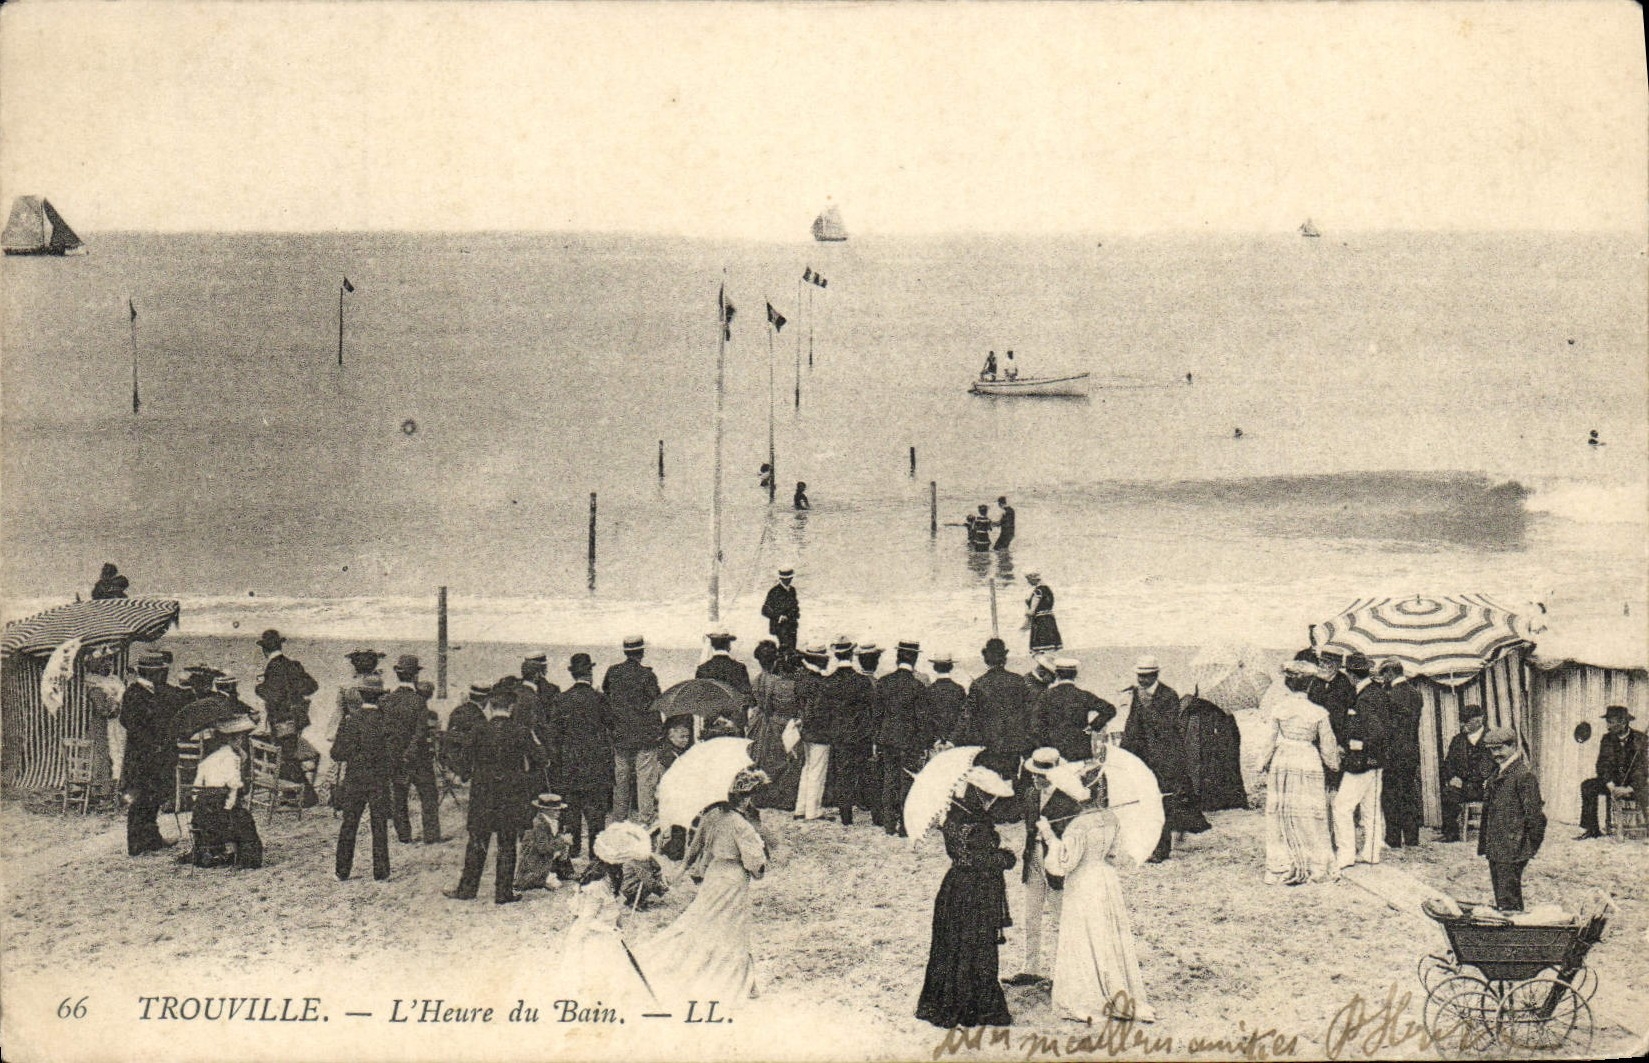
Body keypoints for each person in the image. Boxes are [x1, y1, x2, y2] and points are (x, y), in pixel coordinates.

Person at [1040, 760, 1156, 1024]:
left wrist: (1049, 837)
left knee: (1086, 936)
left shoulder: (1078, 826)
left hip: (1084, 883)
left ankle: (1091, 993)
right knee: (1106, 935)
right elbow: (1114, 854)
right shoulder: (1111, 818)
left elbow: (1062, 864)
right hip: (1105, 878)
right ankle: (1115, 987)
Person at [646, 768, 772, 1004]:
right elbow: (755, 865)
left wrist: (682, 868)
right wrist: (761, 858)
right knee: (732, 927)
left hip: (714, 874)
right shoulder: (741, 825)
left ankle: (740, 979)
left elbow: (695, 846)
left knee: (702, 919)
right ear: (746, 798)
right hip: (733, 878)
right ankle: (740, 980)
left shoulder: (712, 815)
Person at [915, 765, 1017, 1029]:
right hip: (976, 890)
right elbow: (978, 858)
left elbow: (963, 854)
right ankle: (975, 1006)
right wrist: (1005, 857)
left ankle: (943, 1000)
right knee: (977, 945)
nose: (991, 801)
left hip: (955, 886)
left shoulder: (954, 815)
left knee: (953, 944)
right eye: (988, 795)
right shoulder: (976, 823)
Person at [445, 687, 541, 904]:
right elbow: (541, 760)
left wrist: (466, 775)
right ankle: (503, 893)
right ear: (511, 707)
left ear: (489, 705)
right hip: (511, 795)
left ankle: (467, 890)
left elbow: (463, 761)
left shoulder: (479, 730)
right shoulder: (521, 730)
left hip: (483, 795)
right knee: (507, 843)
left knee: (477, 841)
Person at [1256, 661, 1340, 885]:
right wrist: (1333, 765)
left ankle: (1281, 864)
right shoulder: (1319, 712)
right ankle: (1316, 864)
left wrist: (1261, 763)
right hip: (1308, 759)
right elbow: (1328, 747)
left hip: (1284, 760)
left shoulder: (1279, 709)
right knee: (1309, 810)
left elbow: (1268, 741)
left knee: (1283, 811)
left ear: (1287, 682)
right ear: (1311, 684)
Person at [1007, 748, 1081, 989]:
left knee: (1062, 916)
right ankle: (1031, 967)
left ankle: (1067, 970)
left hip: (1057, 862)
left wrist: (1051, 832)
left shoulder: (1069, 799)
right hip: (1034, 860)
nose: (1037, 779)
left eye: (1042, 775)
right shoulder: (1030, 794)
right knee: (1031, 916)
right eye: (1034, 774)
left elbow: (1074, 836)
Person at [1120, 657, 1206, 862]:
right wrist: (1125, 752)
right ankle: (1151, 843)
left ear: (1155, 675)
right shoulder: (1138, 695)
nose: (1142, 680)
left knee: (1163, 801)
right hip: (1143, 757)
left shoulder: (1168, 695)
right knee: (1145, 801)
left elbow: (1167, 727)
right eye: (1139, 676)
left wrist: (1146, 704)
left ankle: (1161, 849)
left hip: (1166, 758)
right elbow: (1132, 725)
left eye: (1146, 676)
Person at [332, 675, 395, 881]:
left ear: (360, 695)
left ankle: (342, 871)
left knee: (349, 824)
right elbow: (392, 755)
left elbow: (336, 754)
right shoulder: (386, 722)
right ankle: (381, 871)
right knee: (379, 825)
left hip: (355, 779)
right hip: (378, 780)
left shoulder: (351, 722)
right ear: (380, 697)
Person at [953, 637, 1036, 795]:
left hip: (988, 743)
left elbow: (967, 715)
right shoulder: (1018, 681)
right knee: (1011, 776)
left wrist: (953, 739)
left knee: (990, 782)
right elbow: (1029, 712)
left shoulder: (979, 684)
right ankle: (1013, 809)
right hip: (1014, 743)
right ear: (1004, 658)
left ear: (986, 659)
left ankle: (996, 810)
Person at [555, 653, 615, 859]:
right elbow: (613, 725)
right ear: (590, 673)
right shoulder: (599, 699)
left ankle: (572, 850)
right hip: (596, 765)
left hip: (570, 765)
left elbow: (555, 733)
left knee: (571, 812)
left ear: (573, 674)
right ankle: (595, 852)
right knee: (596, 815)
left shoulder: (562, 699)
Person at [1479, 727, 1545, 911]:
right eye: (1492, 750)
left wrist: (1528, 847)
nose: (1496, 754)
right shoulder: (1498, 774)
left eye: (1500, 748)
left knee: (1509, 899)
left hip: (1512, 849)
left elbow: (1536, 818)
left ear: (1513, 746)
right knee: (1503, 897)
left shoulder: (1523, 776)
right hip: (1497, 847)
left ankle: (1515, 933)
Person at [253, 629, 321, 807]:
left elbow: (274, 696)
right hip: (297, 719)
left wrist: (259, 688)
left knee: (285, 756)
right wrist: (295, 693)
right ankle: (292, 794)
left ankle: (305, 796)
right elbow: (312, 686)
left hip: (282, 720)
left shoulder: (272, 667)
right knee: (287, 755)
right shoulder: (293, 665)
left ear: (264, 650)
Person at [187, 712, 264, 869]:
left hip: (202, 807)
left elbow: (197, 785)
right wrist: (230, 807)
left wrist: (198, 802)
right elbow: (234, 785)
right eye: (239, 738)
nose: (241, 741)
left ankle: (207, 852)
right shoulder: (232, 758)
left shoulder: (210, 758)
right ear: (231, 739)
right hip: (220, 807)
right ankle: (248, 859)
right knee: (245, 821)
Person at [381, 655, 443, 844]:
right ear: (415, 675)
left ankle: (404, 835)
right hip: (419, 758)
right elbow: (420, 730)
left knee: (399, 797)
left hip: (396, 757)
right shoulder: (419, 701)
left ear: (398, 675)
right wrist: (411, 751)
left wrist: (394, 754)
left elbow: (385, 731)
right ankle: (431, 836)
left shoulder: (386, 700)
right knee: (429, 795)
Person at [120, 653, 177, 856]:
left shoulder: (156, 691)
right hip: (141, 756)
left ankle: (152, 838)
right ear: (151, 672)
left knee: (154, 797)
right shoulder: (134, 693)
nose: (165, 673)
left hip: (155, 754)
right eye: (161, 670)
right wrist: (153, 742)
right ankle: (136, 843)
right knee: (140, 798)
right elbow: (129, 723)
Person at [603, 635, 663, 825]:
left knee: (621, 782)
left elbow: (607, 696)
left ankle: (619, 822)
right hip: (644, 737)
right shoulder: (647, 675)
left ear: (625, 651)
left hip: (620, 736)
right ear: (642, 652)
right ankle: (645, 822)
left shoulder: (613, 672)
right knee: (645, 782)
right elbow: (656, 702)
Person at [821, 638, 877, 826]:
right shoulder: (862, 682)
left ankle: (846, 816)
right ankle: (873, 814)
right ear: (853, 654)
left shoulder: (828, 682)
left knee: (843, 774)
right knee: (865, 772)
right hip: (861, 734)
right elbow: (872, 709)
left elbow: (824, 711)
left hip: (838, 735)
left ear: (836, 655)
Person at [876, 641, 928, 836]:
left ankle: (889, 824)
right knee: (907, 782)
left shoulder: (883, 682)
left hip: (887, 738)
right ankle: (905, 826)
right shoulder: (918, 686)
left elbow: (877, 715)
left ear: (898, 658)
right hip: (909, 741)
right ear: (915, 659)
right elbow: (922, 720)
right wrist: (923, 743)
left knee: (889, 779)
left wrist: (878, 739)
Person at [1575, 704, 1647, 839]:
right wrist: (1610, 785)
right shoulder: (1607, 739)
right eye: (1607, 721)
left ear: (1623, 722)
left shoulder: (1641, 739)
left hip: (1634, 785)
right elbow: (1602, 766)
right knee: (1588, 785)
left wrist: (1630, 788)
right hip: (1613, 784)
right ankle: (1592, 829)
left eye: (1610, 722)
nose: (1607, 726)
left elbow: (1643, 768)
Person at [751, 644, 803, 811]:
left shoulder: (757, 679)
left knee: (765, 758)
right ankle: (783, 796)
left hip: (765, 721)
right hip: (782, 722)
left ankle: (763, 794)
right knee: (786, 760)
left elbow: (764, 706)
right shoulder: (779, 682)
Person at [1379, 660, 1423, 849]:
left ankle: (1393, 839)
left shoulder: (1390, 695)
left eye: (1384, 674)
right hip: (1411, 751)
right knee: (1409, 794)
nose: (1383, 678)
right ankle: (1412, 838)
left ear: (1390, 673)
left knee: (1391, 795)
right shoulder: (1416, 693)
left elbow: (1388, 728)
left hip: (1393, 753)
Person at [1034, 658, 1112, 764]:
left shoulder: (1046, 696)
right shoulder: (1083, 695)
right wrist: (1092, 727)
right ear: (1075, 674)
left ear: (1057, 674)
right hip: (1080, 747)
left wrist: (1045, 743)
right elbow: (1110, 710)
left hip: (1055, 749)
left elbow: (1037, 724)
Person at [1440, 705, 1497, 842]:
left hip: (1485, 787)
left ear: (1479, 720)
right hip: (1463, 787)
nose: (1462, 724)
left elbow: (1502, 765)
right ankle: (1451, 834)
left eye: (1466, 721)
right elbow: (1447, 764)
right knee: (1448, 793)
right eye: (1461, 720)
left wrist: (1491, 778)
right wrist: (1452, 777)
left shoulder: (1493, 739)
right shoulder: (1457, 740)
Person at [795, 643, 833, 821]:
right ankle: (813, 810)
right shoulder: (821, 684)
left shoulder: (801, 679)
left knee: (807, 768)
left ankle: (800, 808)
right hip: (819, 732)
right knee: (817, 771)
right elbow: (820, 711)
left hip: (805, 730)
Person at [515, 793, 576, 891]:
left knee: (563, 843)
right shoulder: (539, 824)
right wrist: (563, 840)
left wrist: (564, 843)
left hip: (545, 860)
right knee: (555, 884)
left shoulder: (552, 821)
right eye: (555, 810)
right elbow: (543, 848)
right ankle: (540, 878)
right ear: (545, 810)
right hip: (535, 863)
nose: (559, 812)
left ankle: (563, 871)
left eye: (559, 809)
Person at [655, 715, 695, 860]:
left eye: (687, 737)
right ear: (671, 734)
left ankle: (679, 845)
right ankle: (677, 849)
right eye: (681, 737)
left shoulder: (675, 751)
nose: (685, 740)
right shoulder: (668, 754)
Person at [442, 683, 491, 782]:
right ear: (485, 699)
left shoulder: (457, 710)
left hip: (449, 758)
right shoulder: (478, 716)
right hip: (467, 763)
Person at [921, 652, 967, 753]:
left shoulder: (928, 691)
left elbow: (925, 719)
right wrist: (951, 741)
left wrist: (936, 741)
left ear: (934, 667)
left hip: (934, 748)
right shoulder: (959, 690)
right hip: (955, 747)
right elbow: (964, 717)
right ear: (951, 667)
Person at [760, 566, 801, 652]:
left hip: (792, 625)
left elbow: (795, 606)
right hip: (780, 627)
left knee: (792, 649)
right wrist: (779, 617)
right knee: (785, 650)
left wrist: (796, 613)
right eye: (785, 578)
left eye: (790, 578)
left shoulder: (792, 590)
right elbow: (765, 610)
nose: (788, 580)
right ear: (781, 578)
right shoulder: (774, 591)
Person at [1024, 573, 1062, 654]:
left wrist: (1027, 610)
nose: (1028, 582)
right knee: (1051, 649)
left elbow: (1032, 611)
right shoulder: (1048, 590)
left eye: (1028, 579)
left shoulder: (1038, 592)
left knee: (1040, 651)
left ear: (1033, 578)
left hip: (1040, 622)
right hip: (1050, 621)